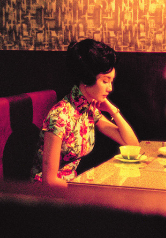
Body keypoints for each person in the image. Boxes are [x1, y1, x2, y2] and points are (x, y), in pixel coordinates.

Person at [31, 39, 139, 187]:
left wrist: (112, 110)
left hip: (72, 186)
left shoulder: (88, 109)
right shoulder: (59, 116)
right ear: (88, 78)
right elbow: (49, 181)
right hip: (48, 194)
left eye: (111, 81)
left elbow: (132, 144)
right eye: (105, 81)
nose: (110, 88)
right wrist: (85, 191)